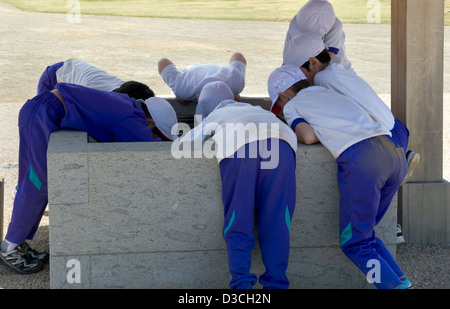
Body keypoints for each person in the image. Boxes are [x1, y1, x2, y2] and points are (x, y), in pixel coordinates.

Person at [0, 83, 178, 274]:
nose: (152, 132)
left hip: (42, 109)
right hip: (44, 112)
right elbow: (150, 149)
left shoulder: (128, 105)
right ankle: (9, 248)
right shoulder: (130, 118)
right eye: (156, 131)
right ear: (150, 121)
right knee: (37, 184)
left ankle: (17, 245)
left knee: (35, 182)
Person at [268, 65, 412, 289]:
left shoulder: (292, 104)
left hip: (363, 161)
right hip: (393, 153)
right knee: (366, 234)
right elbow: (373, 117)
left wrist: (319, 127)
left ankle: (392, 287)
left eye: (278, 104)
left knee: (354, 243)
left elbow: (307, 136)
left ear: (282, 96)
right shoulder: (331, 92)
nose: (280, 108)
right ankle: (402, 283)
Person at [177, 81, 297, 289]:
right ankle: (276, 284)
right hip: (282, 144)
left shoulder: (216, 115)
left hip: (242, 147)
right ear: (235, 98)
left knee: (238, 220)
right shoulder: (258, 110)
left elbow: (183, 144)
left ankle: (242, 285)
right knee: (278, 221)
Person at [281, 32, 420, 184]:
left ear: (313, 63)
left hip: (384, 139)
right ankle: (402, 159)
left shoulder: (322, 80)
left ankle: (399, 161)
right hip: (395, 127)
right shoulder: (335, 70)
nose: (295, 77)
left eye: (296, 71)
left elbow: (333, 119)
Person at [283, 0, 354, 72]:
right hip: (308, 71)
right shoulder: (296, 26)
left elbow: (325, 63)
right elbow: (288, 59)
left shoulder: (335, 26)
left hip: (337, 71)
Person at [37, 58, 155, 101]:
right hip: (54, 75)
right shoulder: (92, 93)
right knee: (41, 116)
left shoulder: (130, 89)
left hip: (77, 68)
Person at [157, 52, 246, 105]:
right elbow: (163, 62)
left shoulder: (236, 84)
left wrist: (232, 92)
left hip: (191, 75)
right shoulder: (236, 84)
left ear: (198, 97)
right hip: (189, 80)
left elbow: (162, 61)